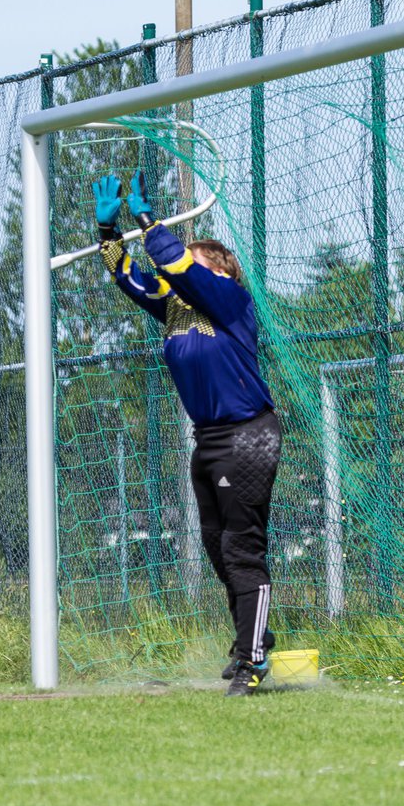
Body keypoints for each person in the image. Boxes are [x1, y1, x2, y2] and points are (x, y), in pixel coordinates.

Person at [92, 171, 283, 697]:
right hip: (210, 440)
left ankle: (251, 659)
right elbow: (129, 277)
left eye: (192, 262)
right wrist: (108, 232)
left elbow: (176, 264)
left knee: (243, 550)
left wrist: (148, 221)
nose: (180, 270)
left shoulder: (230, 303)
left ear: (218, 271)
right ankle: (254, 636)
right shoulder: (177, 305)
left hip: (249, 436)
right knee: (216, 546)